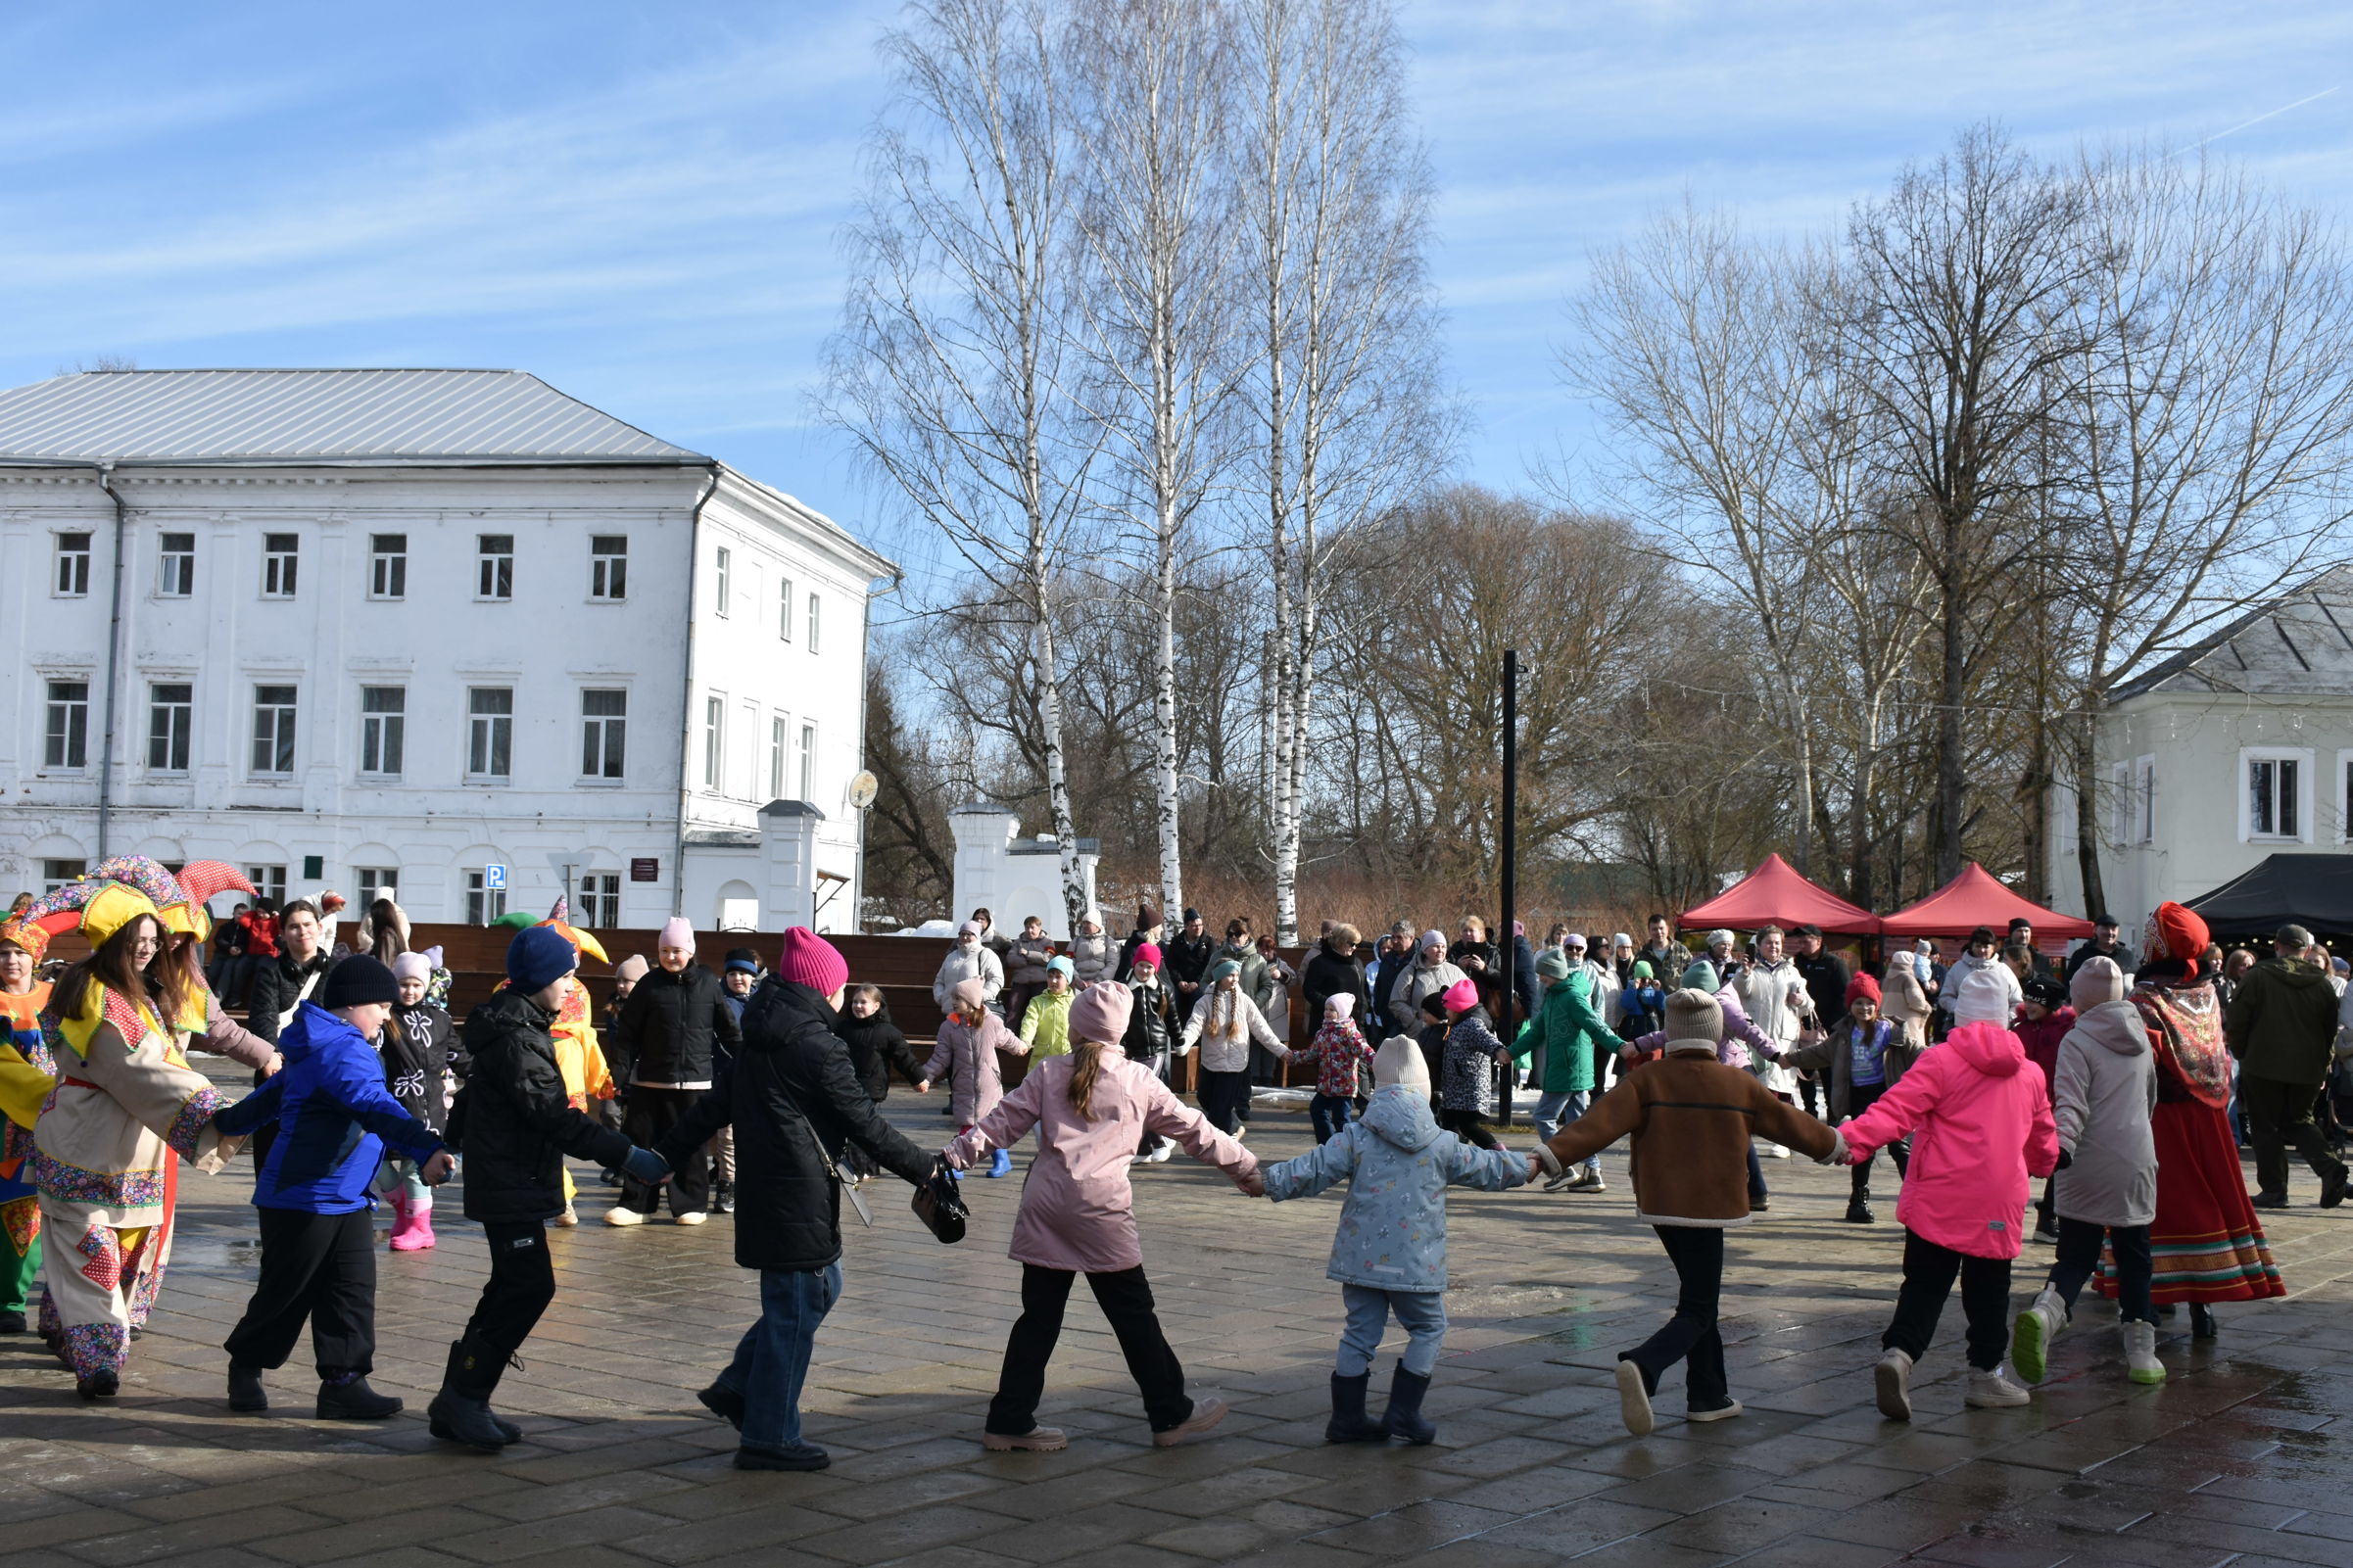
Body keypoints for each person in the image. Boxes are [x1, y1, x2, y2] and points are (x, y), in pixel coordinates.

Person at [653, 929, 936, 1470]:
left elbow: (711, 1110)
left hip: (775, 1192)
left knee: (818, 1289)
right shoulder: (817, 1046)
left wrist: (664, 1156)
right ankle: (769, 1436)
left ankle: (740, 1385)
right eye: (838, 988)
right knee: (795, 1309)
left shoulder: (761, 1036)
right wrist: (928, 1168)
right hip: (796, 1196)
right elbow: (865, 1124)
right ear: (822, 989)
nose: (841, 998)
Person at [947, 982, 1254, 1452]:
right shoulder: (1138, 1078)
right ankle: (1170, 1413)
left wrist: (950, 1159)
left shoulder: (1049, 1071)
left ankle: (1008, 1420)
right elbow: (1196, 1131)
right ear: (1120, 1031)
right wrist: (1246, 1169)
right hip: (1102, 1211)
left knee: (1038, 1319)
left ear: (1074, 1028)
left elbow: (999, 1123)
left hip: (1047, 1207)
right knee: (1134, 1317)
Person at [1543, 987, 1842, 1436]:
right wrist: (1836, 1146)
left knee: (1700, 1299)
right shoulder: (1737, 1082)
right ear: (1714, 1034)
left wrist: (1547, 1157)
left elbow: (1596, 1125)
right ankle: (1643, 1365)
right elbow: (1792, 1126)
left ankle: (1707, 1394)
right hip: (1709, 1208)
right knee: (1699, 1308)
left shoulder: (1649, 1079)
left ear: (1673, 1031)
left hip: (1662, 1206)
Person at [18, 864, 250, 1398]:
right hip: (88, 1141)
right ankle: (99, 1363)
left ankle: (63, 1329)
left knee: (102, 1253)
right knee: (92, 1255)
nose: (148, 949)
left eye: (154, 939)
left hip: (126, 1147)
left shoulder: (132, 992)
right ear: (116, 939)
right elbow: (139, 1068)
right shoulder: (100, 996)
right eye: (138, 939)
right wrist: (219, 1115)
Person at [431, 927, 666, 1449]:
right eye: (564, 975)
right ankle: (462, 1398)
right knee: (528, 1286)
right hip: (509, 1178)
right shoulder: (517, 1037)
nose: (571, 986)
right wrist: (628, 1154)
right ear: (538, 978)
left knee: (513, 1286)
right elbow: (555, 1118)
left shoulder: (520, 1026)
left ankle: (463, 1398)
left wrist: (447, 1141)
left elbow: (476, 1100)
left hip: (514, 1176)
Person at [1262, 1036, 1538, 1445]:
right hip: (1415, 1261)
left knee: (1359, 1333)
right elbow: (1491, 1169)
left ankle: (1347, 1419)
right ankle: (1404, 1411)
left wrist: (1265, 1180)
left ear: (1378, 1089)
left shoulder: (1354, 1136)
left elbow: (1311, 1169)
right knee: (1428, 1326)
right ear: (1423, 1091)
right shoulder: (1443, 1143)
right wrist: (1529, 1165)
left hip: (1361, 1260)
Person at [216, 956, 454, 1418]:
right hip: (302, 1197)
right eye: (381, 1005)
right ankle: (246, 1364)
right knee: (286, 1292)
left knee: (351, 1290)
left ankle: (344, 1383)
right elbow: (372, 1104)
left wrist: (225, 1120)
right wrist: (425, 1147)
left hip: (345, 1197)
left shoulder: (324, 1043)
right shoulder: (342, 1050)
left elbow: (273, 1095)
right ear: (353, 1004)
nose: (387, 1015)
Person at [1840, 967, 2057, 1419]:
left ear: (1959, 1014)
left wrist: (1851, 1143)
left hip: (1939, 1195)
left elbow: (1894, 1111)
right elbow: (2042, 1142)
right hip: (1997, 1199)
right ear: (2005, 1015)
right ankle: (1985, 1376)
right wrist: (2044, 1165)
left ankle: (1899, 1356)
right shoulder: (2031, 1073)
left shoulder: (1939, 1061)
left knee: (1924, 1284)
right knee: (1990, 1291)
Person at [2109, 903, 2283, 1336]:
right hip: (2207, 1115)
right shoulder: (2205, 992)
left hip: (2159, 1117)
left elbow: (2135, 1058)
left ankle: (2153, 1293)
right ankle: (2201, 1303)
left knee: (2159, 1205)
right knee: (2208, 1201)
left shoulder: (2144, 998)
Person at [2011, 957, 2162, 1388]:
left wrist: (2061, 1148)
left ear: (2080, 997)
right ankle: (2143, 1355)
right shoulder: (2142, 1039)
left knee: (2076, 1255)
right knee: (2135, 1258)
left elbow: (2071, 1103)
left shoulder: (2078, 1040)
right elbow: (2149, 1102)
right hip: (2135, 1159)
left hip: (2087, 1160)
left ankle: (2047, 1312)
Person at [608, 918, 741, 1226]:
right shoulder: (648, 985)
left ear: (690, 951)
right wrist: (618, 1075)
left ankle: (690, 1204)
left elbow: (728, 1031)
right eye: (665, 950)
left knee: (691, 1146)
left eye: (676, 950)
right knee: (641, 1143)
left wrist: (745, 1064)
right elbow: (627, 1034)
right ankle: (636, 1205)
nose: (670, 956)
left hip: (694, 1081)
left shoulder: (708, 983)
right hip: (649, 1081)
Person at [2223, 923, 2349, 1209]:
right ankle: (2330, 1170)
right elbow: (2330, 1030)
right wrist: (2324, 1064)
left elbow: (2237, 1020)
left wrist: (2243, 1053)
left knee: (2265, 1126)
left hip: (2263, 1064)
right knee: (2300, 1120)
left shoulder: (2258, 977)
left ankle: (2275, 1190)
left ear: (2277, 946)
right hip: (2307, 1067)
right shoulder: (2321, 983)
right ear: (2305, 951)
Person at [1783, 975, 1919, 1224]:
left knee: (1899, 1147)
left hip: (1888, 1096)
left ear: (1877, 1004)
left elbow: (1918, 1053)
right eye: (1858, 1002)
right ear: (1850, 1006)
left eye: (1869, 1002)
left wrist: (1947, 1060)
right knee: (1863, 1148)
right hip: (1860, 1097)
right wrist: (1790, 1059)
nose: (1864, 1008)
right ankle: (1858, 1201)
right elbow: (1819, 1054)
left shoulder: (1891, 1031)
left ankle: (1917, 1201)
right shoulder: (1844, 1033)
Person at [1512, 948, 1615, 1191]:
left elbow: (1596, 1026)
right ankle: (1593, 1172)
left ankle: (1563, 1168)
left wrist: (1620, 1046)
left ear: (1554, 973)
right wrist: (1511, 1052)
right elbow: (1537, 1032)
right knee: (1577, 1124)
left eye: (1543, 975)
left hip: (1567, 1069)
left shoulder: (1571, 997)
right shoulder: (1554, 997)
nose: (1540, 979)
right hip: (1571, 1068)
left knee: (1543, 1117)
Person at [0, 912, 55, 1334]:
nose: (12, 960)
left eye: (20, 952)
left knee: (27, 1213)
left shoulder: (57, 998)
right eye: (3, 952)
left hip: (46, 1121)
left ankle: (14, 1301)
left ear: (36, 956)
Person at [383, 951, 459, 1250]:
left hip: (429, 1107)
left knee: (415, 1168)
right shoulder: (387, 1017)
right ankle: (406, 1212)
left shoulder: (439, 1019)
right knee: (379, 1164)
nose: (410, 990)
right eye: (403, 984)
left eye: (416, 984)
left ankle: (420, 1227)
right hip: (394, 1105)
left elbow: (457, 1054)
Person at [922, 980, 1027, 1177]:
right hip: (963, 1083)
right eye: (953, 997)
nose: (953, 1001)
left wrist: (1019, 1046)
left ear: (971, 1002)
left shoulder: (991, 1023)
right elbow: (940, 1056)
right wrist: (925, 1076)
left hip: (988, 1083)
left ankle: (1000, 1159)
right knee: (968, 1123)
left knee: (989, 1123)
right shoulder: (949, 1027)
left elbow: (1007, 1038)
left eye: (958, 998)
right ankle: (959, 1163)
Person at [1178, 960, 1287, 1137]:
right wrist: (1184, 1043)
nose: (1235, 979)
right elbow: (1194, 1026)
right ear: (1219, 976)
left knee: (1220, 1108)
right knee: (1204, 1098)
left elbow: (1261, 1029)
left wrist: (1281, 1050)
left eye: (1237, 975)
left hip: (1234, 1065)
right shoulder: (1204, 1002)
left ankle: (1226, 1140)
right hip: (1211, 1062)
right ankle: (1235, 1126)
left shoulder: (1244, 1001)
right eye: (1230, 975)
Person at [834, 983, 927, 1180]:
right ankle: (869, 1168)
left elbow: (904, 1057)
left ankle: (858, 1169)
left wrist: (918, 1078)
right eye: (855, 1002)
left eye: (863, 1002)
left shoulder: (887, 1032)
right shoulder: (844, 1028)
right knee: (864, 1129)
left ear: (876, 1006)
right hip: (847, 1085)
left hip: (871, 1088)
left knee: (860, 1129)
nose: (858, 1006)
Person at [1733, 926, 1813, 1150]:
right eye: (1769, 943)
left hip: (1784, 1039)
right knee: (1755, 1089)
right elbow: (1740, 992)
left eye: (1777, 943)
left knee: (1783, 1090)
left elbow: (1808, 1005)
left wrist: (1800, 1000)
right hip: (1757, 1039)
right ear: (1759, 945)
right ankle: (1745, 1139)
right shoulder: (1751, 970)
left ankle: (1783, 1140)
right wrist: (1746, 971)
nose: (1774, 947)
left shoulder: (1791, 971)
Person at [249, 899, 340, 1046]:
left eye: (307, 924)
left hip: (327, 1056)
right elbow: (263, 1019)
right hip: (283, 1058)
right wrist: (275, 1055)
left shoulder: (337, 970)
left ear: (319, 927)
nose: (303, 931)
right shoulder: (270, 971)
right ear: (282, 934)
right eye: (294, 927)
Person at [1289, 994, 1374, 1144]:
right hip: (1325, 1085)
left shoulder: (1349, 1033)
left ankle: (1347, 1147)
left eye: (1332, 1010)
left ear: (1342, 1012)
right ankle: (1327, 1144)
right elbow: (1312, 1053)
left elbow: (1363, 1049)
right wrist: (1293, 1057)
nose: (1327, 1012)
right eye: (1326, 1009)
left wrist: (1376, 1061)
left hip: (1343, 1085)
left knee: (1340, 1119)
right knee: (1317, 1109)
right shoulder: (1322, 1033)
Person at [1437, 978, 1512, 1151]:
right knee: (1448, 1125)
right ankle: (1455, 1156)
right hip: (1456, 1092)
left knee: (1468, 1127)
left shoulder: (1472, 1024)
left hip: (1469, 1092)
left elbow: (1487, 1039)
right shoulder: (1457, 1025)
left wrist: (1499, 1050)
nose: (1446, 1012)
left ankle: (1498, 1151)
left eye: (1448, 1008)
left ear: (1458, 1008)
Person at [1122, 946, 1178, 1163]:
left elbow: (1172, 1018)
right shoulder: (1125, 990)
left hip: (1157, 1049)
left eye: (1149, 967)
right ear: (1134, 965)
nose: (1145, 971)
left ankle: (1161, 1141)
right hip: (1134, 1050)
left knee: (1143, 1094)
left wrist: (1180, 1041)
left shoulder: (1162, 989)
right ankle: (1144, 1147)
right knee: (1135, 1099)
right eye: (1141, 965)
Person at [1788, 926, 1850, 1120]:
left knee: (1829, 1075)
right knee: (1804, 1071)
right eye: (1799, 942)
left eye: (1805, 941)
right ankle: (1809, 1114)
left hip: (1828, 1030)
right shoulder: (1795, 963)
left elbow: (1845, 996)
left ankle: (1833, 1116)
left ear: (1818, 941)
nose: (1801, 946)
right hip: (1801, 1028)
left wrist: (1834, 1027)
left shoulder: (1834, 964)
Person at [1386, 929, 1466, 1038]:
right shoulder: (1410, 972)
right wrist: (1415, 1022)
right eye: (1436, 946)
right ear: (1425, 950)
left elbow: (1468, 998)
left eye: (1443, 947)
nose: (1440, 950)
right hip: (1421, 1035)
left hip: (1450, 1034)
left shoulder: (1455, 971)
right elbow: (1396, 1002)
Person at [1939, 927, 2021, 1033]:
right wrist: (1961, 1010)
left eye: (1986, 946)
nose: (1982, 950)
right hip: (1964, 1031)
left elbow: (2017, 1001)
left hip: (1997, 1032)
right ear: (1971, 946)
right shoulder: (1958, 968)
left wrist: (2007, 1018)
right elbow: (1945, 996)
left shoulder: (2003, 970)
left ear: (1994, 948)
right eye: (1978, 946)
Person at [932, 922, 1006, 1015]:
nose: (965, 937)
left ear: (977, 936)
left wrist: (980, 997)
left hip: (975, 1014)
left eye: (969, 934)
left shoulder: (987, 954)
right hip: (950, 1012)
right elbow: (939, 980)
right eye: (962, 934)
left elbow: (996, 980)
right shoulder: (951, 956)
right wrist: (940, 997)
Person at [1003, 917, 1056, 1037]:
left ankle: (1040, 1037)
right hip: (1020, 982)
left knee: (1039, 1010)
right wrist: (1029, 961)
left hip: (1040, 982)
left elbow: (1048, 958)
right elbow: (1011, 959)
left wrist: (1027, 954)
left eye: (1033, 927)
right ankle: (1008, 1037)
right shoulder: (1017, 942)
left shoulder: (1048, 942)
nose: (1029, 930)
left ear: (1039, 928)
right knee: (1012, 1008)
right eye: (1027, 927)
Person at [1018, 957, 1078, 1061]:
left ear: (1067, 980)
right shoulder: (1038, 1002)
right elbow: (1029, 1022)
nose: (1053, 980)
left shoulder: (1076, 1003)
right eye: (1050, 976)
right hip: (1042, 1060)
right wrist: (1026, 1040)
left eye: (1058, 977)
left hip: (1067, 1059)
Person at [1880, 951, 1934, 1053]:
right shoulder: (1908, 979)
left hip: (1890, 1024)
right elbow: (1915, 1001)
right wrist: (1928, 1008)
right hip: (1908, 1026)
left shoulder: (1886, 979)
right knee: (1911, 1055)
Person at [1164, 908, 1216, 1010]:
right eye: (1194, 925)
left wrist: (1197, 982)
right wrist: (1179, 981)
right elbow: (1171, 965)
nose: (1198, 928)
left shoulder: (1209, 942)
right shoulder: (1176, 942)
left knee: (1198, 998)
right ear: (1186, 926)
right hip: (1180, 983)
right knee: (1171, 999)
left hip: (1200, 983)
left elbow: (1209, 966)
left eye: (1200, 925)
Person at [2064, 916, 2137, 981]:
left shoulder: (2127, 956)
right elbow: (2070, 982)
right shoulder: (2081, 955)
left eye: (2113, 929)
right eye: (2105, 928)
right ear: (2095, 930)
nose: (2110, 933)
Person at [1115, 906, 1165, 983]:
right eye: (1160, 926)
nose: (1162, 929)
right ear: (1152, 928)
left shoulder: (1159, 944)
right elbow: (1125, 976)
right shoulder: (1133, 948)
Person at [1638, 916, 1692, 981]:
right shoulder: (1643, 954)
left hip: (1678, 991)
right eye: (1654, 929)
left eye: (1661, 928)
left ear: (1667, 928)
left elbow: (1692, 973)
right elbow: (1633, 978)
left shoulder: (1681, 950)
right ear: (1649, 931)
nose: (1659, 932)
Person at [1071, 911, 1116, 986]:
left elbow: (1112, 964)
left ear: (1097, 926)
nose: (1084, 925)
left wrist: (1098, 981)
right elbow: (1068, 962)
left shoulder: (1108, 941)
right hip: (1078, 984)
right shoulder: (1075, 942)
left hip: (1101, 984)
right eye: (1083, 923)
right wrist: (1076, 979)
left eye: (1088, 923)